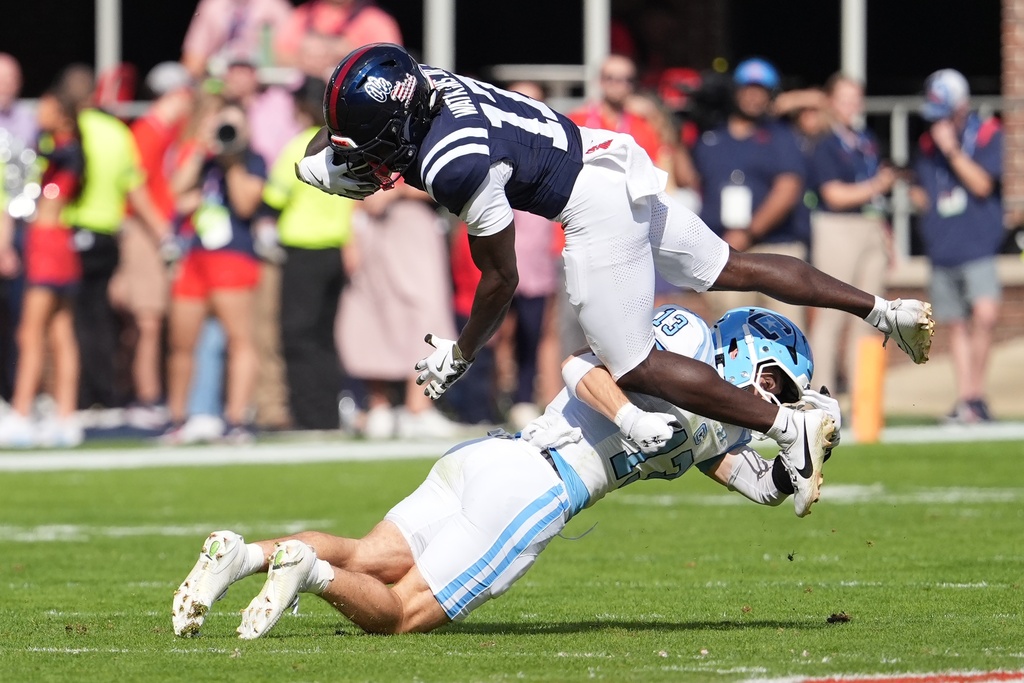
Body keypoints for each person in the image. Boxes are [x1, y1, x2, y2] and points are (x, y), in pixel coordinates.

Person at [295, 43, 933, 471]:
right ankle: (885, 310)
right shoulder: (427, 85)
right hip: (605, 155)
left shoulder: (452, 164)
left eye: (365, 147)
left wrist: (460, 353)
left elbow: (501, 279)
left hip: (589, 205)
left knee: (631, 366)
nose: (359, 158)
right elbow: (367, 130)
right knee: (729, 265)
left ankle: (785, 426)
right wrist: (338, 151)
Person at [170, 304, 841, 638]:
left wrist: (804, 451)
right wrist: (632, 420)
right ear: (754, 354)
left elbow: (760, 485)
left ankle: (246, 554)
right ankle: (305, 571)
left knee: (368, 554)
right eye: (780, 383)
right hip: (537, 486)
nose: (777, 399)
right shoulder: (689, 339)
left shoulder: (718, 422)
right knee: (401, 612)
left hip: (489, 459)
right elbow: (581, 365)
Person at [165, 100, 266, 442]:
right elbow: (175, 191)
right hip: (195, 256)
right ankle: (179, 419)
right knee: (181, 342)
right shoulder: (204, 160)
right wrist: (201, 148)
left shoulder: (253, 161)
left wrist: (232, 160)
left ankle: (236, 420)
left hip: (233, 256)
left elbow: (244, 204)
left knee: (240, 341)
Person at [910, 69, 1003, 424]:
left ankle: (976, 394)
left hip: (978, 243)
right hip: (943, 245)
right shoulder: (927, 144)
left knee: (986, 315)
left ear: (961, 107)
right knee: (955, 324)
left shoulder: (988, 133)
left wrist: (951, 150)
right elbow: (926, 191)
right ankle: (967, 399)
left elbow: (981, 185)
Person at [261, 76, 355, 430]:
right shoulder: (347, 145)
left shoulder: (300, 145)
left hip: (303, 251)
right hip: (335, 250)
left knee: (297, 336)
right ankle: (328, 414)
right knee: (323, 336)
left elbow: (272, 199)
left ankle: (308, 416)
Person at [693, 57, 811, 329]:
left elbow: (787, 189)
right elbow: (690, 180)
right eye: (747, 89)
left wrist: (748, 233)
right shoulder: (711, 136)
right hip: (724, 249)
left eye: (761, 91)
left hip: (775, 246)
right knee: (730, 334)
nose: (753, 97)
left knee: (785, 331)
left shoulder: (781, 136)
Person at [0, 90, 85, 447]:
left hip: (48, 245)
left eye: (47, 108)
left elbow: (41, 158)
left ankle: (21, 413)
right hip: (58, 243)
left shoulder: (66, 150)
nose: (39, 113)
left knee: (30, 334)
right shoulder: (58, 150)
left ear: (63, 114)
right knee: (59, 333)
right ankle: (65, 416)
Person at [807, 73, 897, 402]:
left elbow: (870, 198)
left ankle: (865, 401)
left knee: (871, 316)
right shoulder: (824, 142)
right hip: (836, 229)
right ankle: (821, 397)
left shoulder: (864, 139)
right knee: (830, 318)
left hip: (869, 226)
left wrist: (886, 234)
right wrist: (878, 185)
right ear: (830, 102)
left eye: (855, 98)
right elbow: (834, 195)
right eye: (844, 99)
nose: (851, 106)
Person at [274, 0, 402, 79]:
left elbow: (394, 63)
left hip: (355, 107)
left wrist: (349, 54)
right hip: (308, 108)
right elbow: (277, 55)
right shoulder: (303, 15)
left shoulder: (376, 20)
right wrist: (304, 60)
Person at [181, 0, 294, 78]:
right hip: (220, 79)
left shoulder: (275, 6)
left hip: (261, 79)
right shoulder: (212, 5)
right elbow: (193, 59)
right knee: (169, 76)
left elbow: (291, 57)